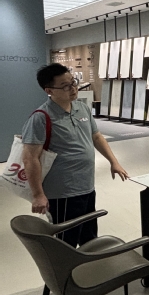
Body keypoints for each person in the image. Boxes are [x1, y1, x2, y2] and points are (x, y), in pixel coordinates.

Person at [21, 63, 128, 247]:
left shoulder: (82, 108)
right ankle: (67, 267)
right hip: (62, 192)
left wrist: (114, 162)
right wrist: (38, 195)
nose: (73, 88)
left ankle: (90, 265)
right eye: (65, 86)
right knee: (66, 243)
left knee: (90, 238)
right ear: (49, 91)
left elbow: (96, 136)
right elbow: (30, 158)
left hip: (86, 186)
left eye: (73, 82)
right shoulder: (41, 117)